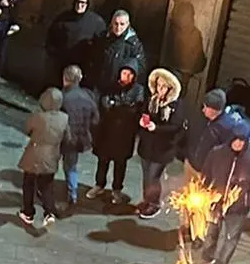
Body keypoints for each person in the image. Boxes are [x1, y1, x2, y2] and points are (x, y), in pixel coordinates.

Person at [193, 113, 250, 264]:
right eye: (235, 139)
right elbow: (206, 173)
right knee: (211, 232)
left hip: (238, 207)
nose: (238, 143)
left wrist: (249, 199)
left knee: (230, 238)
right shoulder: (217, 153)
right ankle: (207, 258)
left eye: (242, 140)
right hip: (216, 202)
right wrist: (204, 192)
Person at [134, 68, 187, 219]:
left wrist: (155, 128)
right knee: (146, 175)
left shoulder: (176, 106)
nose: (160, 89)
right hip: (147, 146)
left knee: (153, 176)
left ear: (170, 88)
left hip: (163, 149)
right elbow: (143, 112)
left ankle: (154, 204)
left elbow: (175, 126)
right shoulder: (152, 100)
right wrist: (142, 121)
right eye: (158, 85)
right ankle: (147, 200)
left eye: (164, 86)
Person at [92, 64, 143, 205]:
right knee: (103, 160)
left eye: (129, 74)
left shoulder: (138, 90)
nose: (125, 76)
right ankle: (99, 185)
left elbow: (133, 110)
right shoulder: (111, 86)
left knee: (120, 164)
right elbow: (105, 104)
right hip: (108, 131)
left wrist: (118, 107)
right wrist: (119, 107)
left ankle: (116, 189)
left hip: (125, 135)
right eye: (123, 73)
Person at [18, 88, 66, 232]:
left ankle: (28, 213)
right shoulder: (64, 118)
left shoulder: (38, 117)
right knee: (47, 185)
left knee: (28, 183)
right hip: (51, 155)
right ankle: (49, 212)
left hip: (34, 154)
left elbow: (27, 129)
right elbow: (67, 137)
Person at [45, 0, 105, 91]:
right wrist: (52, 50)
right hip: (63, 61)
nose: (79, 5)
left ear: (88, 4)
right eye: (78, 2)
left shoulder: (96, 22)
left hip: (83, 64)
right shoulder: (64, 18)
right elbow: (52, 34)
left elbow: (101, 43)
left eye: (83, 3)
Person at [57, 64, 97, 213]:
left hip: (63, 138)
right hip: (79, 139)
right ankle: (72, 193)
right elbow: (95, 119)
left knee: (52, 162)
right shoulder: (89, 96)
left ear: (65, 79)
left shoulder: (62, 97)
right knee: (71, 167)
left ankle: (44, 188)